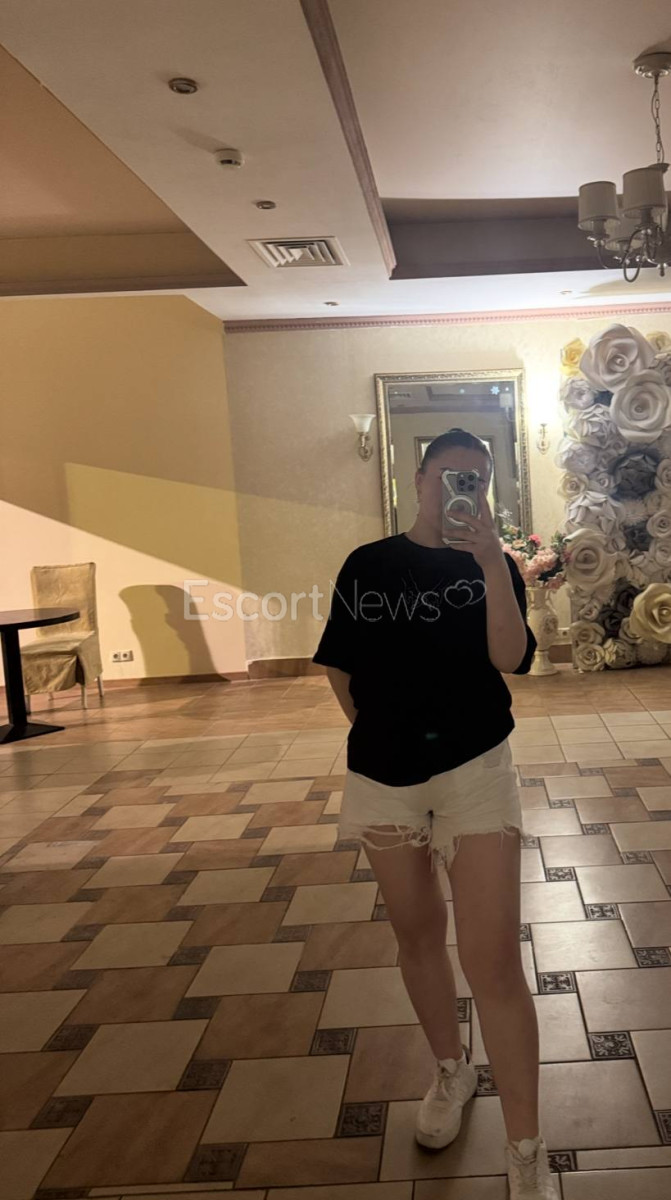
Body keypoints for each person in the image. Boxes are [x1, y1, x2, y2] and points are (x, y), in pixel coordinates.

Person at [312, 428, 557, 1200]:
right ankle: (451, 1070)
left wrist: (487, 563)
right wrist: (373, 730)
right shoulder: (369, 564)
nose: (463, 490)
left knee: (492, 960)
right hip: (383, 777)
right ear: (417, 480)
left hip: (474, 770)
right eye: (451, 476)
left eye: (476, 480)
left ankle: (525, 1148)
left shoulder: (494, 564)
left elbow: (510, 659)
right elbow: (339, 666)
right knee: (416, 935)